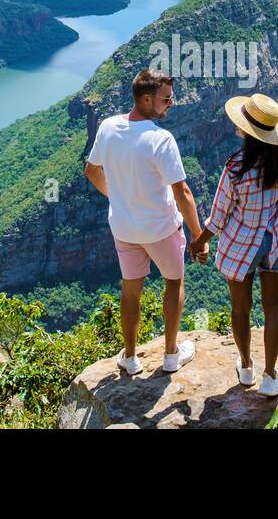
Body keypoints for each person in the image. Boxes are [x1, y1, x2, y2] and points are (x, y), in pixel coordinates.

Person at [84, 69, 203, 375]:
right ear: (147, 99)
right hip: (161, 229)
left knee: (130, 290)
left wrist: (118, 197)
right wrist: (198, 235)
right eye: (167, 99)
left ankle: (130, 356)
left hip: (124, 228)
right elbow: (183, 192)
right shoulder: (160, 139)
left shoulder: (108, 126)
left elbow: (92, 171)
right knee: (174, 282)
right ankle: (171, 354)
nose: (172, 103)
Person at [188, 93, 278, 397]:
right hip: (276, 243)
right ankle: (270, 376)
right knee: (273, 308)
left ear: (246, 131)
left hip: (241, 246)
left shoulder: (236, 168)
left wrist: (199, 243)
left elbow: (218, 218)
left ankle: (247, 367)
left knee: (241, 309)